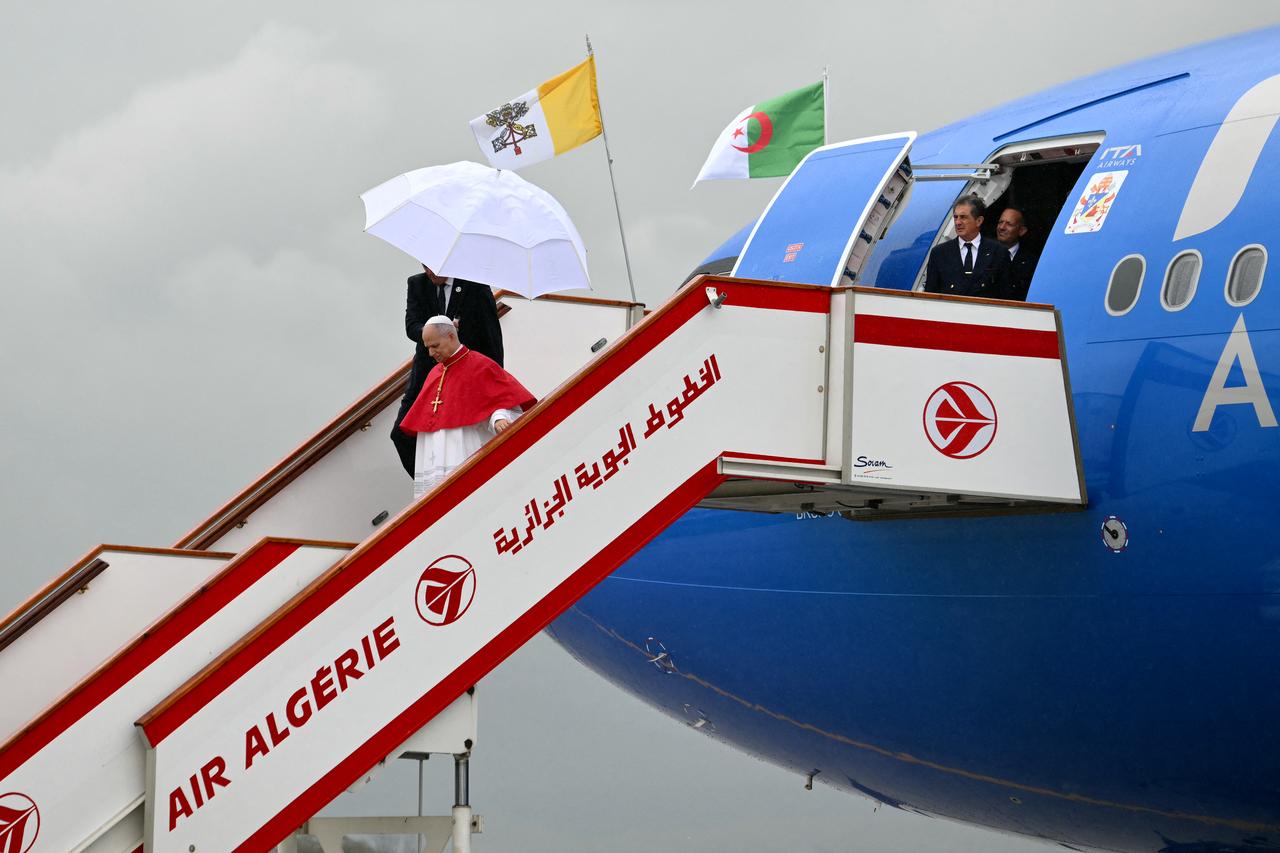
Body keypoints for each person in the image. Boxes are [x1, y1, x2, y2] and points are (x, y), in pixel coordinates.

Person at [399, 317, 535, 499]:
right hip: (436, 462)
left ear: (451, 337)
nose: (431, 353)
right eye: (428, 347)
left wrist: (499, 418)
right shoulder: (433, 373)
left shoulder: (479, 365)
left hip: (466, 451)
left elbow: (503, 400)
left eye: (435, 346)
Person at [390, 265, 504, 477]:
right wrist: (437, 331)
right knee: (401, 435)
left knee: (461, 435)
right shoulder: (417, 284)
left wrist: (496, 381)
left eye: (433, 266)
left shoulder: (474, 284)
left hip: (466, 373)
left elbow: (491, 336)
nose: (429, 272)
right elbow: (411, 325)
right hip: (426, 374)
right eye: (425, 267)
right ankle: (427, 489)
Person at [923, 195, 1012, 299]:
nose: (958, 222)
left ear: (979, 221)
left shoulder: (998, 252)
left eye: (963, 217)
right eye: (956, 217)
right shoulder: (939, 253)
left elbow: (1006, 296)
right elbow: (930, 296)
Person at [995, 206, 1039, 301]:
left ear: (1022, 231)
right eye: (1000, 222)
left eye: (1009, 224)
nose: (1002, 227)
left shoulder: (1032, 263)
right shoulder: (985, 254)